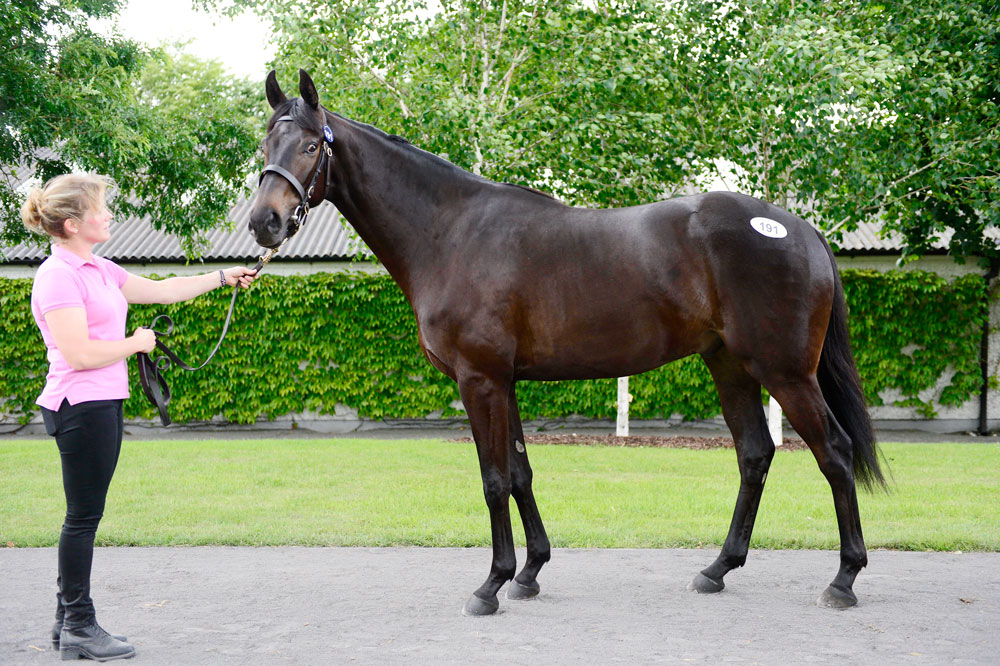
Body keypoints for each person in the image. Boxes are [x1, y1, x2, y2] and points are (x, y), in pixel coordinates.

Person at [21, 173, 257, 661]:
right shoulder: (58, 276)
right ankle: (80, 625)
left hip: (101, 404)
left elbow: (164, 289)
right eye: (100, 209)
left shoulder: (99, 269)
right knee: (82, 518)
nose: (108, 215)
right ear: (71, 224)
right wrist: (137, 343)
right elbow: (79, 353)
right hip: (79, 405)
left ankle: (68, 624)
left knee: (84, 515)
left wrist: (221, 276)